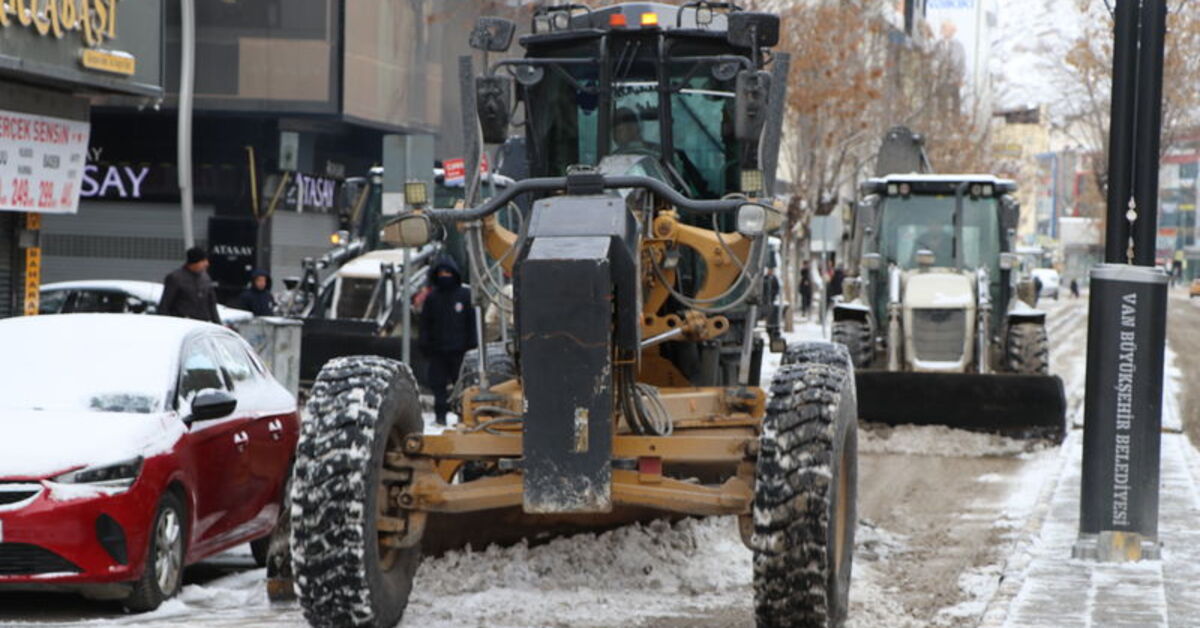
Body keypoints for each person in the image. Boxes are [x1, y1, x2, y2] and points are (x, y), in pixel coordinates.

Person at [419, 256, 477, 426]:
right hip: (438, 351)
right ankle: (440, 417)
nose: (445, 276)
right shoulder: (432, 298)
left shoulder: (465, 296)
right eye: (441, 273)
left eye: (448, 272)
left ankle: (462, 416)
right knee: (438, 387)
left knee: (462, 387)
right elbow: (425, 324)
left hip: (460, 352)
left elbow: (471, 323)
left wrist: (471, 346)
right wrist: (425, 345)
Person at [159, 247, 221, 324]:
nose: (207, 264)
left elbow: (211, 304)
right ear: (194, 262)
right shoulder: (175, 278)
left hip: (202, 323)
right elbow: (165, 304)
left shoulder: (205, 278)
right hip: (182, 323)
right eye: (203, 261)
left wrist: (218, 324)